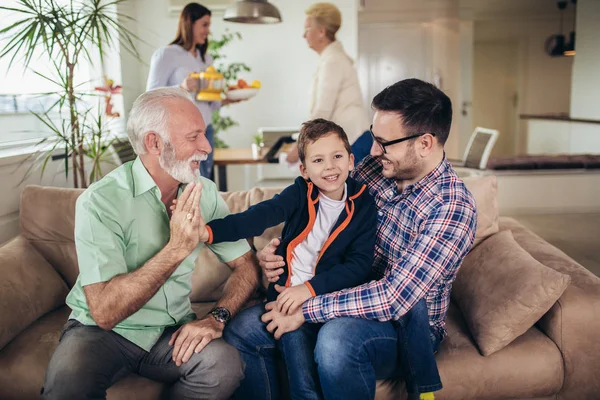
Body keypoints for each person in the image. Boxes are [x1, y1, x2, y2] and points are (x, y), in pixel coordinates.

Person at [224, 78, 478, 400]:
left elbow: (393, 298)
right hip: (337, 291)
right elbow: (314, 203)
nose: (372, 151)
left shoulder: (451, 208)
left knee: (336, 340)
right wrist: (278, 253)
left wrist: (305, 306)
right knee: (242, 330)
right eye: (373, 137)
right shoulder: (376, 169)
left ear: (425, 143)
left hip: (402, 325)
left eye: (384, 143)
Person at [41, 87, 261, 400]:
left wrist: (216, 318)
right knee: (67, 385)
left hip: (169, 333)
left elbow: (246, 265)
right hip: (101, 332)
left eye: (204, 135)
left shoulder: (204, 193)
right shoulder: (101, 201)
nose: (207, 147)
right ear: (154, 142)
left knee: (222, 365)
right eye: (193, 136)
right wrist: (176, 249)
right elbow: (104, 312)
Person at [172, 118, 377, 399]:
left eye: (337, 156)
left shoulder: (364, 204)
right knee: (288, 341)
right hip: (283, 297)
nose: (330, 167)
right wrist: (207, 231)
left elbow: (359, 264)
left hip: (325, 299)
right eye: (318, 160)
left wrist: (308, 290)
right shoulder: (299, 194)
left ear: (352, 160)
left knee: (300, 349)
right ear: (304, 169)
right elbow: (257, 217)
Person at [146, 2, 237, 179]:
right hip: (182, 134)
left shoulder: (206, 58)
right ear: (189, 24)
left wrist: (227, 99)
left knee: (205, 183)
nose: (208, 30)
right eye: (204, 25)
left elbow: (208, 104)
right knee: (186, 182)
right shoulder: (167, 54)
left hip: (206, 129)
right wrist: (182, 87)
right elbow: (150, 97)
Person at [286, 2, 372, 166]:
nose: (303, 35)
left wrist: (300, 147)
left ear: (321, 32)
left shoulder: (333, 61)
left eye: (307, 29)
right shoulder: (332, 59)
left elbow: (323, 110)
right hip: (353, 138)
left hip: (354, 141)